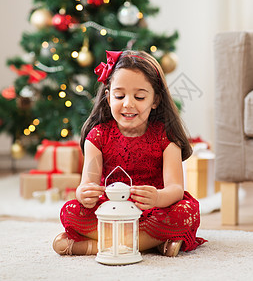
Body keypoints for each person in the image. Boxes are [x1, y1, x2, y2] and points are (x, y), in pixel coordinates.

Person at [53, 50, 206, 257]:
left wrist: (158, 197)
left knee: (187, 211)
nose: (128, 103)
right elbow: (86, 184)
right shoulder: (98, 136)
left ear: (155, 100)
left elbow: (176, 189)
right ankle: (151, 244)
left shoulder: (166, 137)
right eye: (119, 95)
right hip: (111, 211)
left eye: (140, 96)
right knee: (69, 210)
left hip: (152, 211)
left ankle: (98, 246)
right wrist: (84, 194)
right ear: (108, 97)